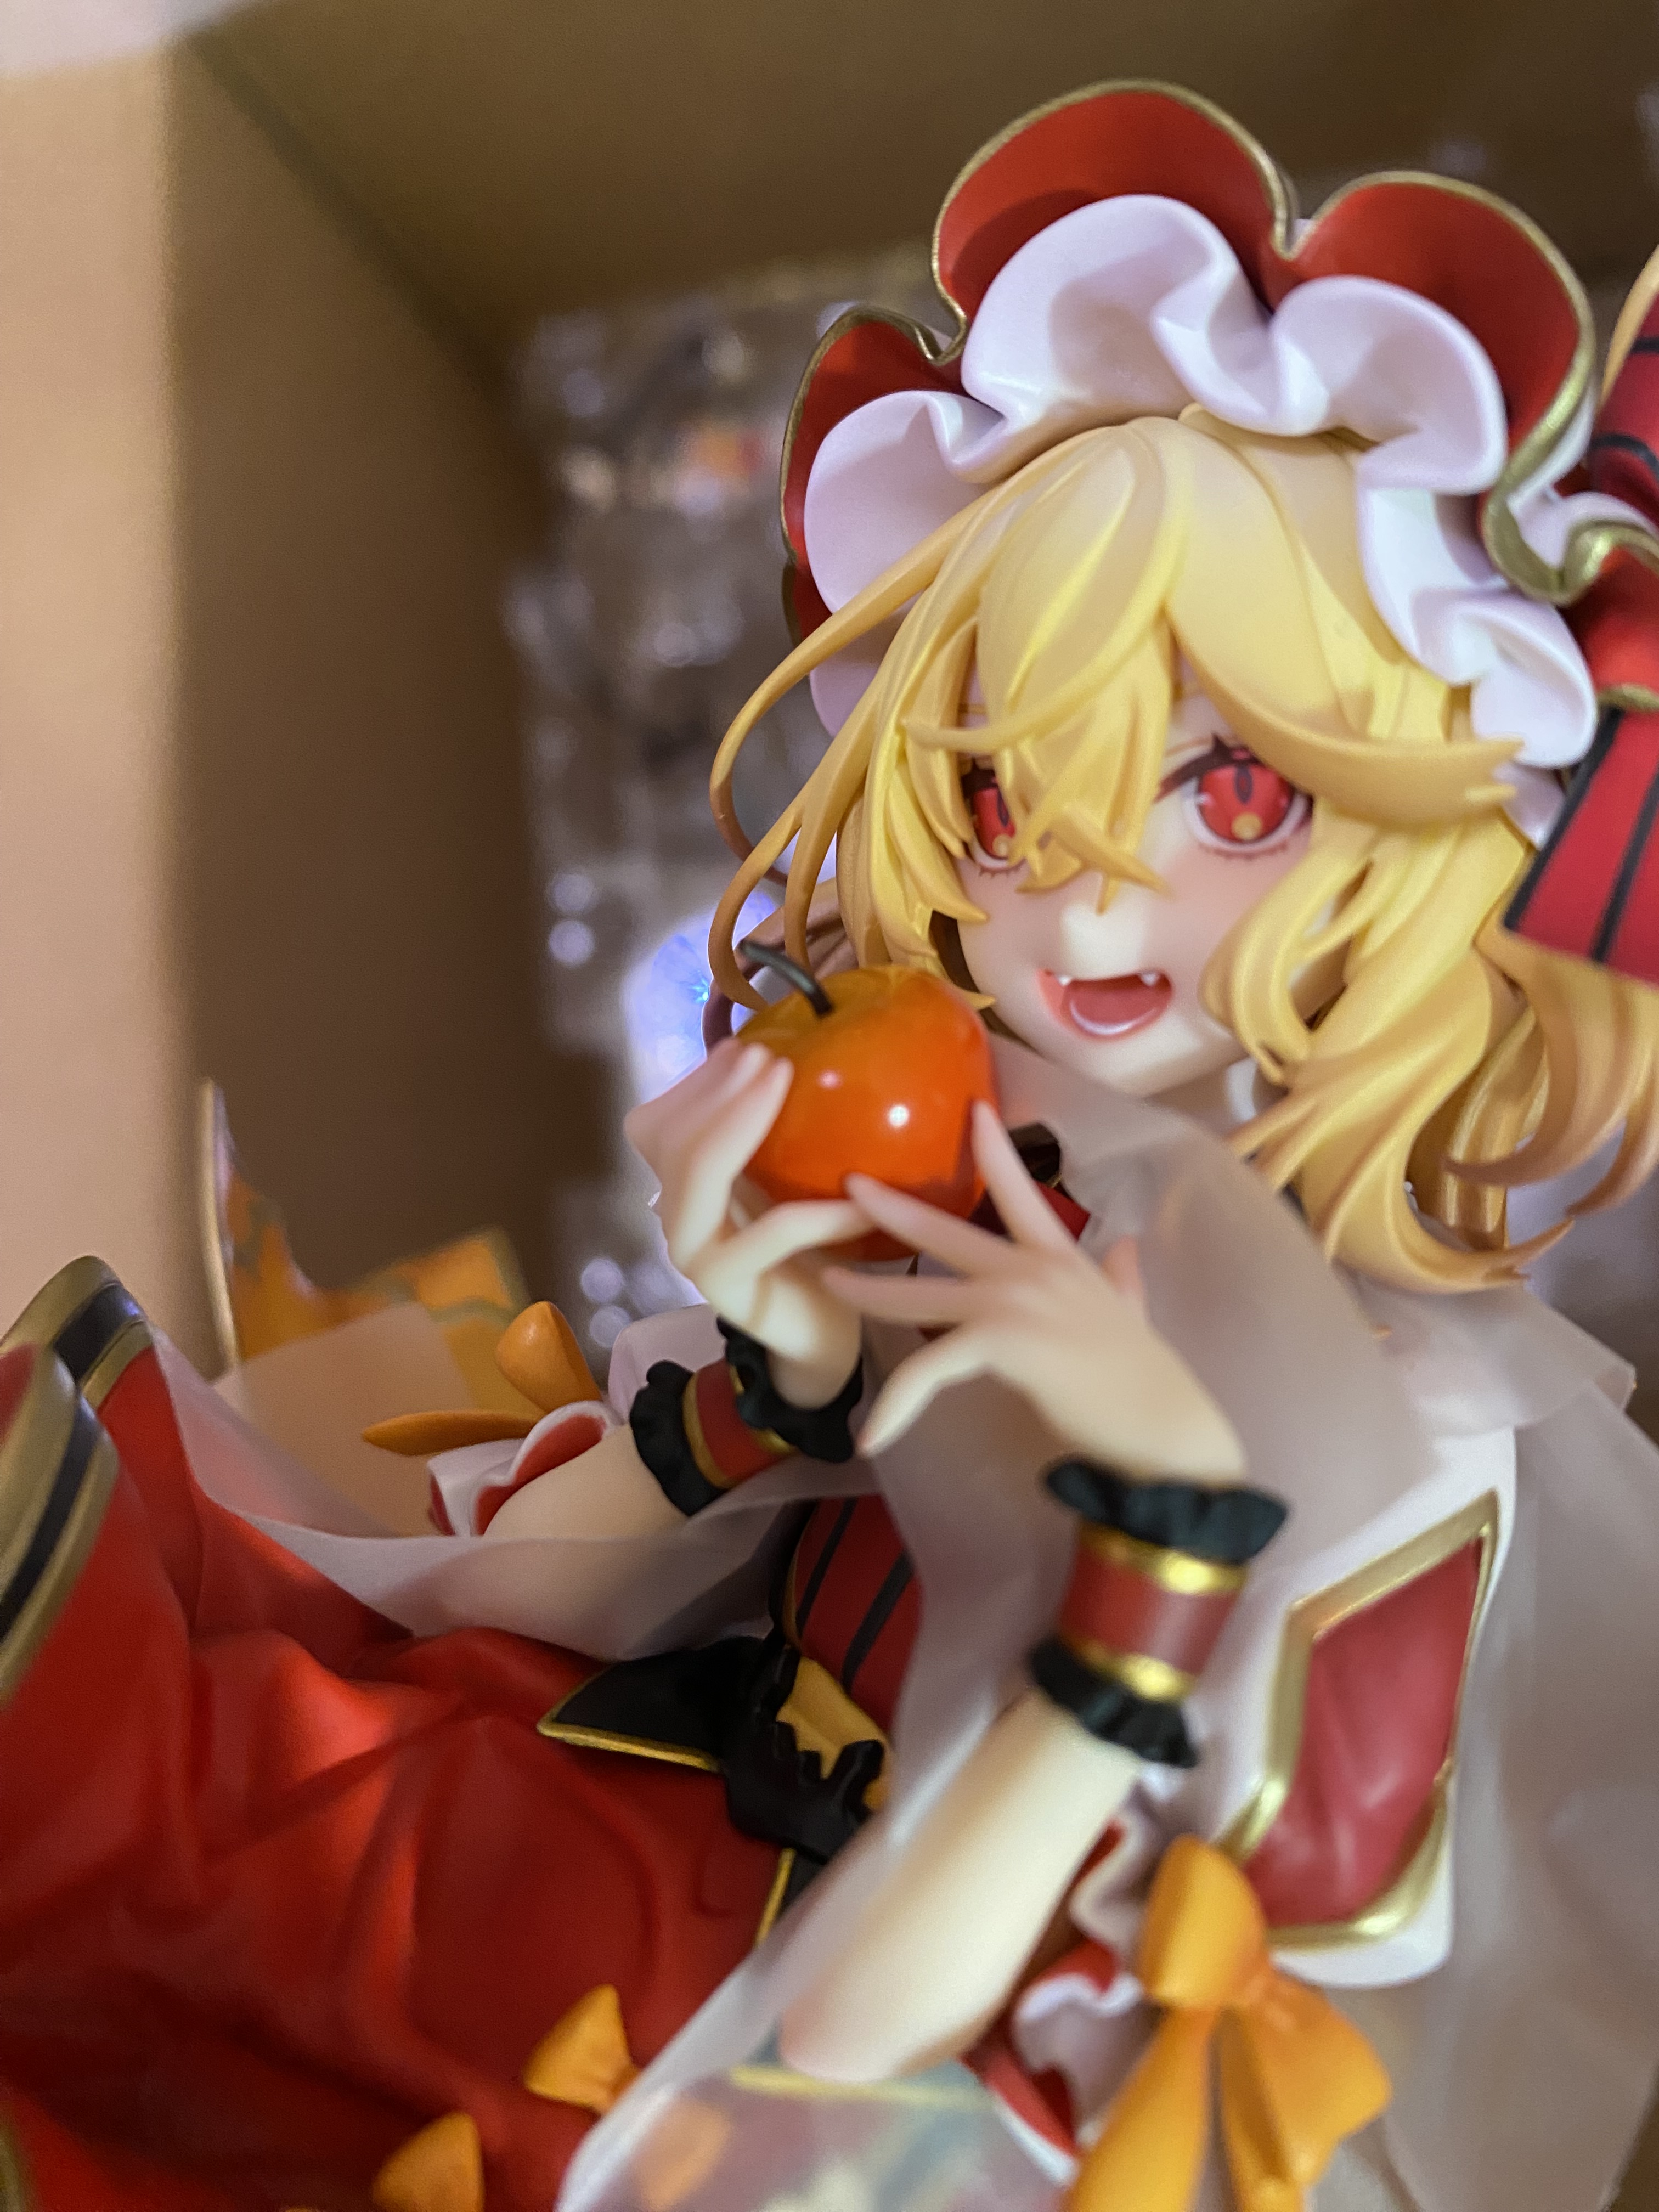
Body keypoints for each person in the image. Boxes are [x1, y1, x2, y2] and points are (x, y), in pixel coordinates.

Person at [7, 81, 1659, 2212]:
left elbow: (898, 2069)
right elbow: (489, 1598)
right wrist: (761, 1397)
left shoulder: (1409, 1459)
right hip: (619, 1818)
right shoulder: (978, 1183)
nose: (1089, 903)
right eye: (1001, 795)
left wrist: (1163, 1548)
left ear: (1432, 835)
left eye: (1235, 793)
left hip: (752, 2076)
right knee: (194, 1778)